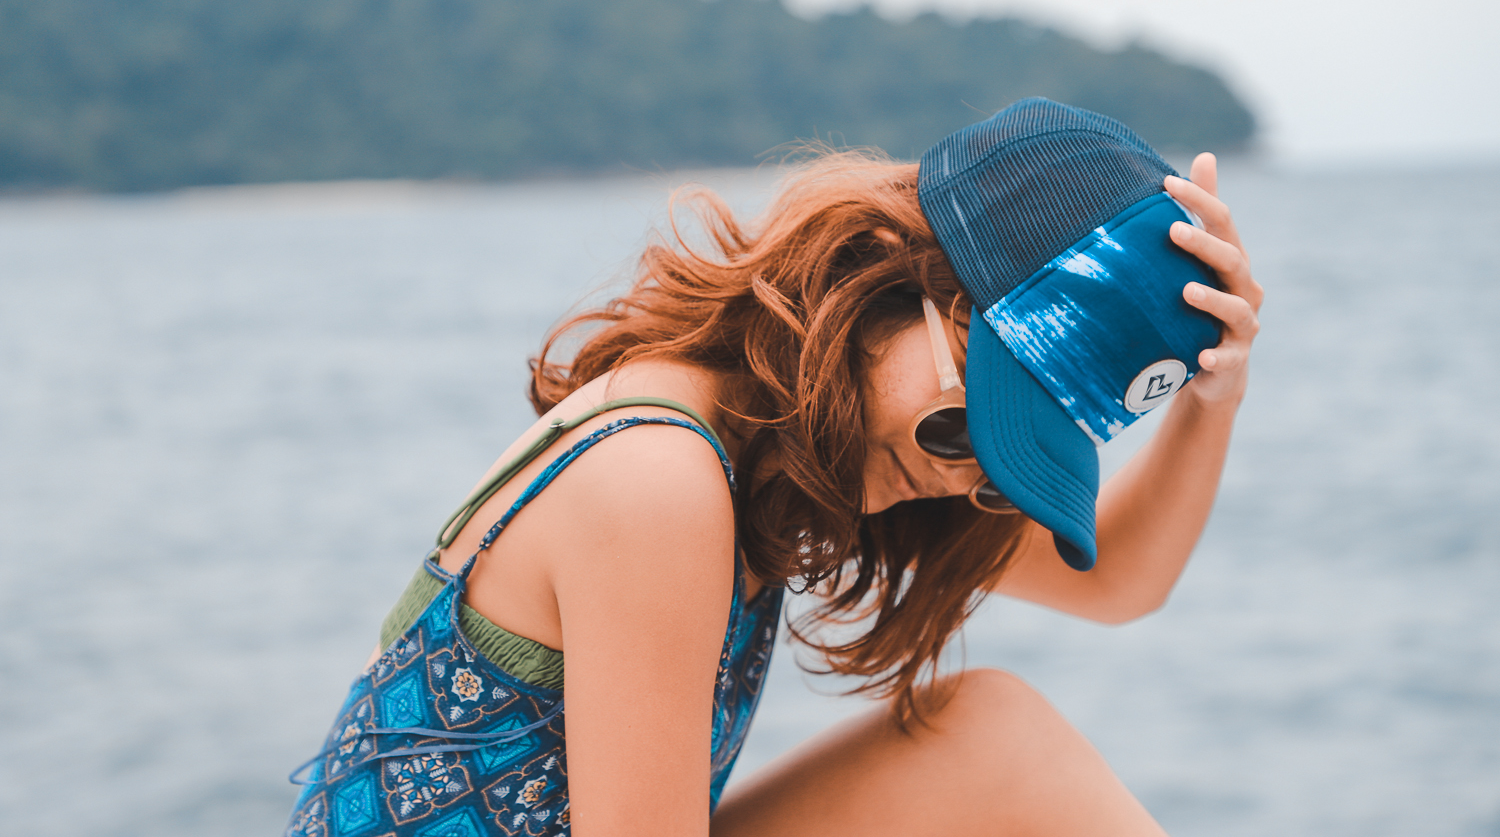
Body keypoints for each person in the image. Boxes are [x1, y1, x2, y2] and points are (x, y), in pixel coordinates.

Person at [285, 98, 1264, 837]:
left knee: (993, 733)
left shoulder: (775, 458)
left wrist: (1214, 396)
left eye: (1000, 471)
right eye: (960, 429)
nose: (954, 479)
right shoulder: (657, 478)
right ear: (886, 276)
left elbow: (1120, 580)